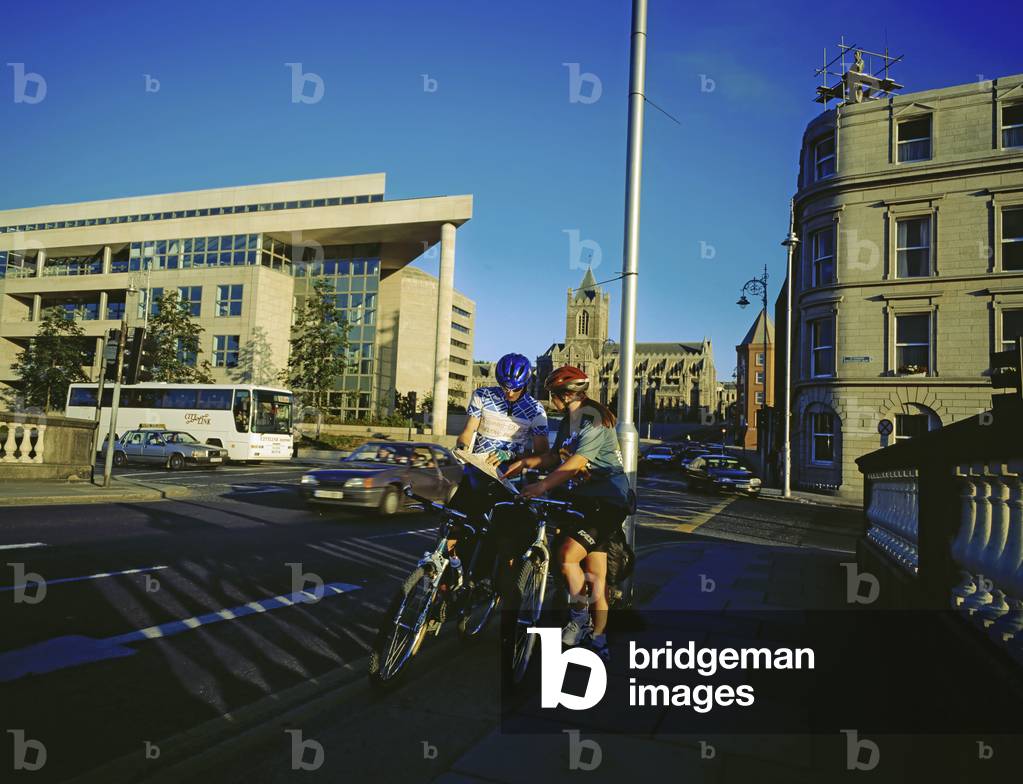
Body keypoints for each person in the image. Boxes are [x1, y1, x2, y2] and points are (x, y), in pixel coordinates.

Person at [503, 365, 631, 663]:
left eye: (553, 394)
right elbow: (556, 456)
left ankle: (579, 617)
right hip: (585, 501)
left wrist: (542, 486)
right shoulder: (568, 421)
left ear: (564, 394)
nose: (551, 400)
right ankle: (599, 640)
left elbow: (575, 463)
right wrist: (526, 463)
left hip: (607, 502)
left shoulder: (595, 420)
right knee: (596, 578)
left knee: (567, 556)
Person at [444, 353, 549, 583]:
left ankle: (484, 581)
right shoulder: (482, 395)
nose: (509, 392)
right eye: (504, 387)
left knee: (498, 536)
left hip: (508, 478)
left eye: (515, 388)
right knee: (452, 526)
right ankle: (447, 574)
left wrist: (511, 454)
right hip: (476, 471)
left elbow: (542, 452)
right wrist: (462, 446)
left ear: (525, 384)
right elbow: (468, 431)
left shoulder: (535, 409)